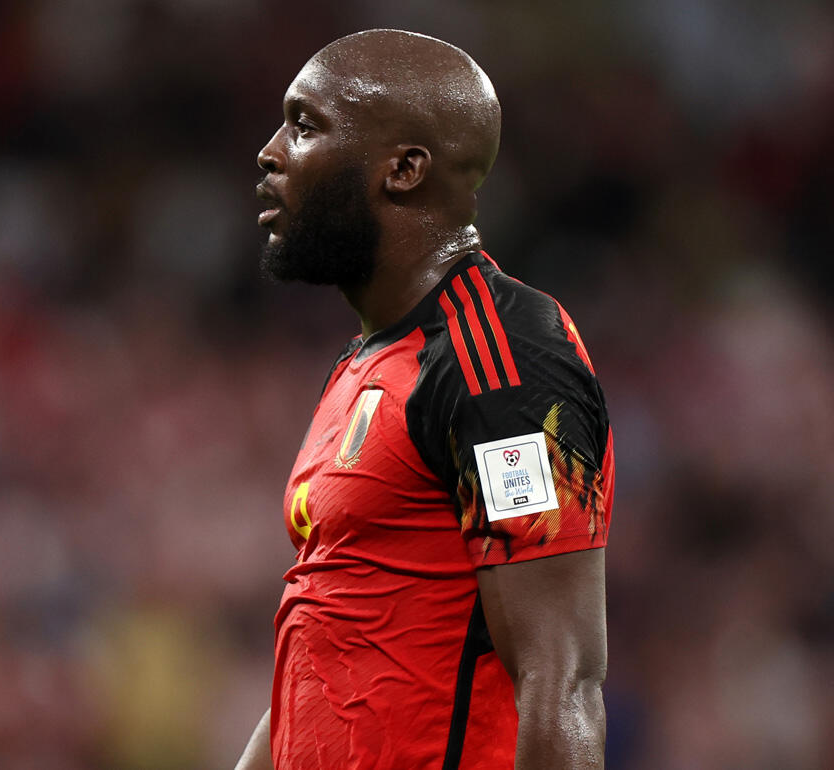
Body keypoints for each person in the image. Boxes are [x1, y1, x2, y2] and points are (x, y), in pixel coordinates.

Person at [235, 29, 614, 769]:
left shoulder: (501, 359)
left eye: (304, 125)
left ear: (404, 169)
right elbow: (327, 646)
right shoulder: (366, 362)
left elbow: (560, 680)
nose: (270, 152)